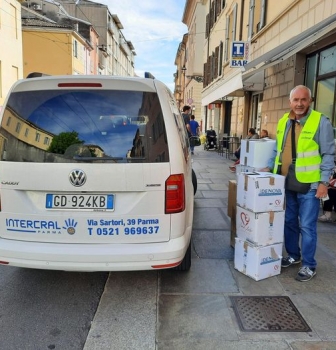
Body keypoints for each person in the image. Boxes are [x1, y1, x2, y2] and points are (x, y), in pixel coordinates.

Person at [263, 85, 335, 282]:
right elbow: (277, 149)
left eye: (303, 100)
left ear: (310, 101)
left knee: (307, 226)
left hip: (310, 184)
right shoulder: (284, 121)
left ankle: (309, 264)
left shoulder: (320, 122)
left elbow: (328, 153)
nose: (299, 104)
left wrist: (323, 182)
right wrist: (270, 168)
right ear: (290, 102)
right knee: (289, 221)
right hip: (286, 181)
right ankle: (294, 255)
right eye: (296, 100)